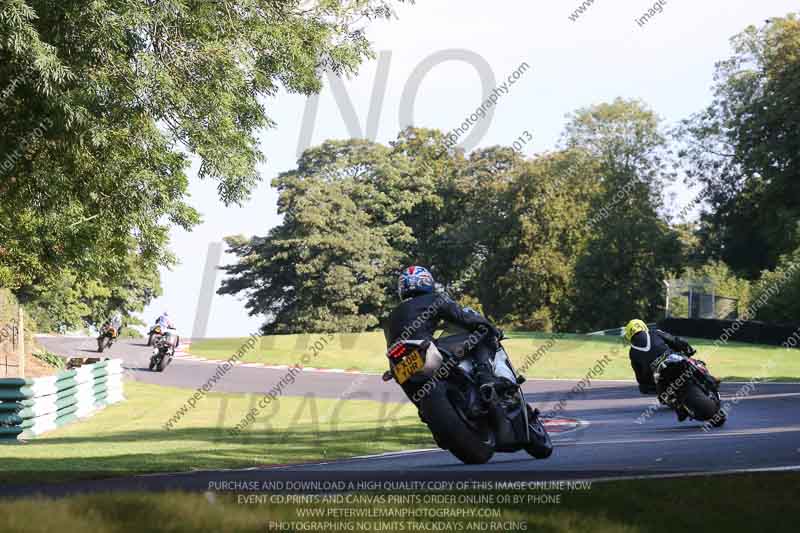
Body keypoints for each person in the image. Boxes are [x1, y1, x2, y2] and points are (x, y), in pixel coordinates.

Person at [384, 266, 501, 400]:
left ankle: (426, 408)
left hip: (400, 367)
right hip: (427, 352)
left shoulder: (391, 316)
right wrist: (490, 327)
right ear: (427, 282)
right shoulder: (434, 299)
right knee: (480, 334)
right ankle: (486, 378)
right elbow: (464, 318)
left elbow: (391, 347)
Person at [624, 319, 696, 420]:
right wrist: (688, 348)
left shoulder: (632, 352)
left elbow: (639, 375)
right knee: (693, 363)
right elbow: (674, 340)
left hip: (659, 376)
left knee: (661, 396)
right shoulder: (655, 332)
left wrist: (645, 385)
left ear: (629, 335)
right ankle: (709, 381)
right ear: (643, 327)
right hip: (671, 361)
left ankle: (680, 408)